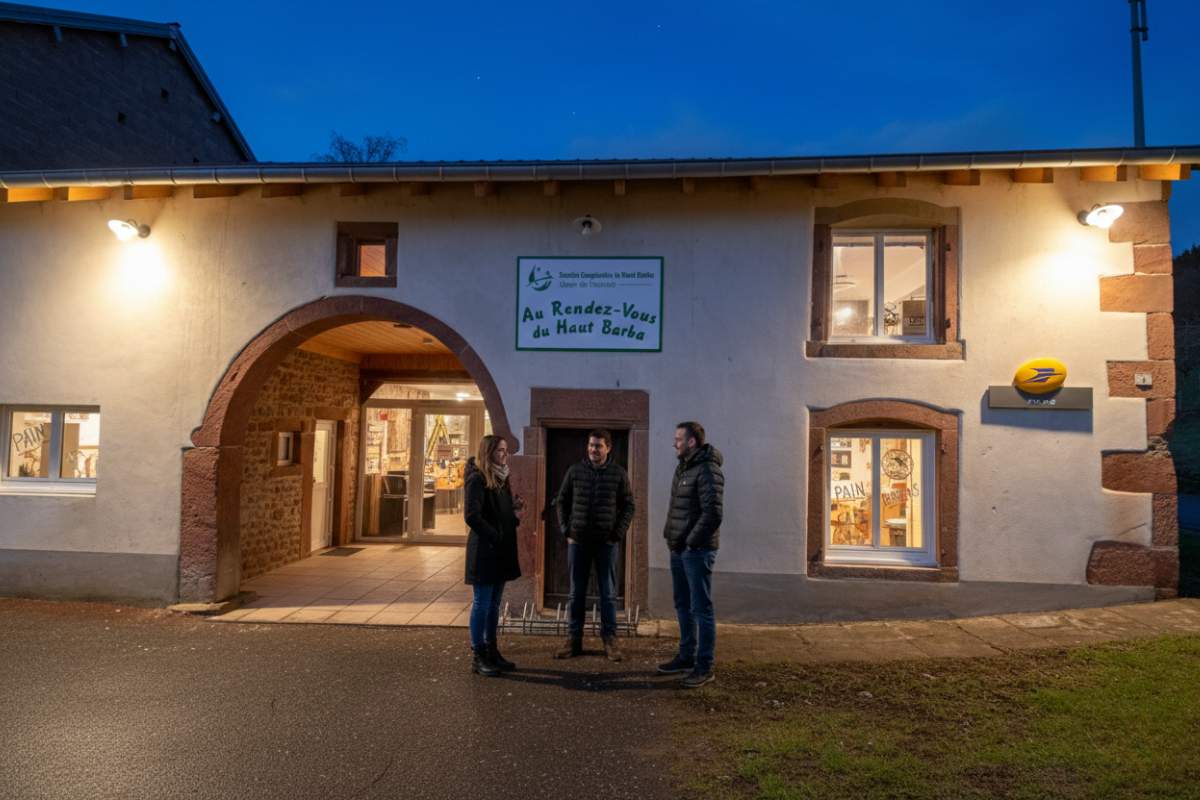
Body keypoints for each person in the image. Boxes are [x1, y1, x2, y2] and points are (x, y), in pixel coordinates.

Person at [552, 429, 636, 661]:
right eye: (591, 445)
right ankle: (574, 640)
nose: (593, 449)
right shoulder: (575, 471)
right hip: (577, 543)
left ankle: (609, 640)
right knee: (575, 594)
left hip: (606, 545)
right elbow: (562, 499)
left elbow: (629, 505)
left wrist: (616, 534)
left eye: (598, 446)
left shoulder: (618, 473)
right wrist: (566, 530)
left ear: (608, 448)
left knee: (608, 595)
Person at [659, 421, 724, 688]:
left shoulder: (708, 469)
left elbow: (713, 513)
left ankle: (704, 666)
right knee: (683, 605)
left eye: (678, 439)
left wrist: (690, 543)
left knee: (701, 609)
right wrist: (672, 538)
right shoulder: (683, 468)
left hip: (696, 551)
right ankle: (686, 657)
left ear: (692, 442)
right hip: (679, 549)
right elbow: (678, 508)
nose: (674, 443)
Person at [463, 434, 525, 676]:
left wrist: (514, 512)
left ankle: (492, 650)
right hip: (485, 550)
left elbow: (499, 514)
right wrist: (495, 535)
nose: (505, 455)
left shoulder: (502, 477)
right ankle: (478, 655)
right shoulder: (477, 479)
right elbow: (472, 516)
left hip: (500, 550)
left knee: (494, 604)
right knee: (481, 603)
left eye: (506, 450)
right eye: (501, 451)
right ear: (489, 453)